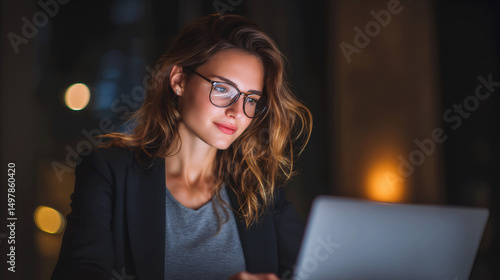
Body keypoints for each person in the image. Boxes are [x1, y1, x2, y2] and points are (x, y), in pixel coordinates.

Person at [51, 13, 312, 280]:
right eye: (223, 89)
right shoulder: (109, 172)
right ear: (178, 80)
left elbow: (312, 270)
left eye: (251, 99)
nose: (238, 111)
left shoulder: (259, 189)